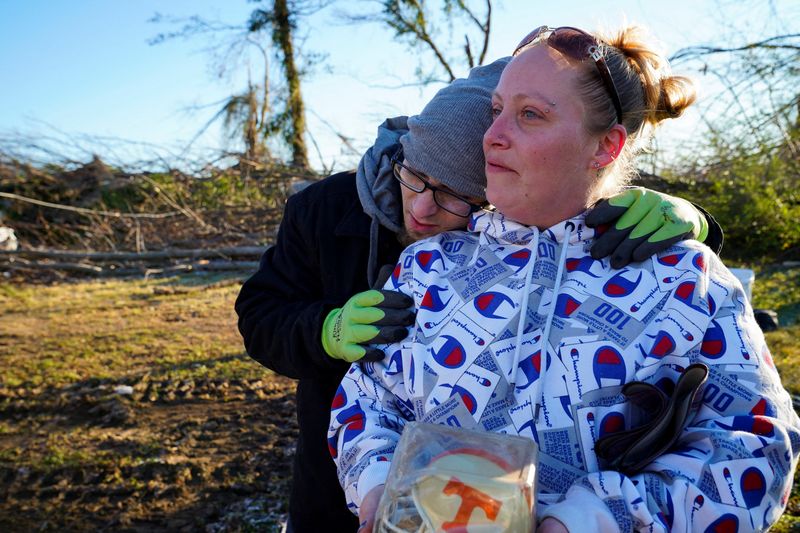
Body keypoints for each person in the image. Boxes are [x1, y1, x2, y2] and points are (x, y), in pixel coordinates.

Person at [328, 25, 800, 533]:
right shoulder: (429, 267)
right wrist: (382, 488)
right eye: (496, 111)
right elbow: (369, 402)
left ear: (605, 147)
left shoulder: (684, 278)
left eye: (530, 114)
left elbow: (754, 444)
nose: (493, 135)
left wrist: (591, 520)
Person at [236, 57, 719, 532]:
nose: (423, 207)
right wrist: (325, 331)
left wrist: (695, 222)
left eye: (456, 196)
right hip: (342, 482)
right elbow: (259, 315)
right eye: (417, 176)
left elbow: (571, 186)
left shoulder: (503, 232)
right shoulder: (321, 209)